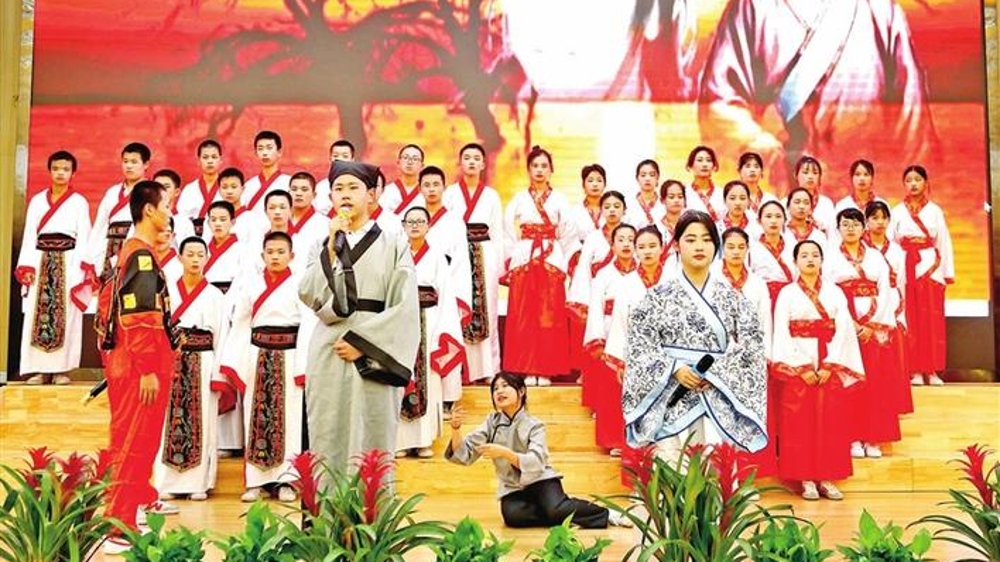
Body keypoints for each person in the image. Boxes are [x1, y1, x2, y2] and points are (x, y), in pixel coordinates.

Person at [698, 0, 937, 191]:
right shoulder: (754, 6)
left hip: (863, 198)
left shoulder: (881, 12)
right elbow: (718, 108)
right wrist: (774, 159)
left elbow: (914, 130)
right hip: (780, 199)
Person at [298, 160, 419, 478]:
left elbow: (405, 306)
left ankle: (371, 508)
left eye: (353, 187)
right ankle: (328, 508)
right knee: (328, 429)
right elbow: (309, 293)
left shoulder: (394, 242)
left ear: (372, 195)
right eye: (338, 188)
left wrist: (362, 343)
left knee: (372, 433)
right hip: (328, 347)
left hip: (374, 353)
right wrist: (331, 249)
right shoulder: (321, 244)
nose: (345, 194)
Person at [623, 211, 767, 460]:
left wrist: (716, 373)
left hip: (717, 395)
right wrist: (675, 368)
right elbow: (639, 347)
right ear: (676, 245)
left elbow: (752, 347)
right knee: (671, 467)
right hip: (669, 396)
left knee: (715, 467)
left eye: (706, 239)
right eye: (690, 239)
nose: (699, 246)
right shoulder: (656, 297)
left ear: (716, 246)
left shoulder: (733, 298)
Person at [98, 180, 178, 554]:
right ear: (149, 210)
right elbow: (140, 317)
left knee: (135, 441)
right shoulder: (140, 257)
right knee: (133, 442)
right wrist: (147, 367)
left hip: (129, 362)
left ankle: (133, 506)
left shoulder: (132, 252)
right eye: (167, 205)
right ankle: (117, 523)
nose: (170, 213)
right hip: (138, 366)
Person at [445, 373, 631, 529]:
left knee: (555, 509)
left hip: (541, 481)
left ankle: (606, 514)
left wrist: (505, 453)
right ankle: (558, 512)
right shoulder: (491, 423)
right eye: (495, 389)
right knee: (514, 517)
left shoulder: (535, 425)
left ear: (521, 391)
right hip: (513, 487)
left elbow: (536, 462)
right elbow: (464, 454)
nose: (499, 391)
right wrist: (455, 429)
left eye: (505, 386)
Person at [220, 231, 313, 503]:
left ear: (291, 256)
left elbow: (308, 325)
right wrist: (238, 360)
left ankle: (287, 481)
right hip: (258, 355)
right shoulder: (251, 283)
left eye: (281, 252)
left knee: (290, 421)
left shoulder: (299, 284)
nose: (275, 257)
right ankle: (256, 482)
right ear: (262, 255)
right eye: (270, 252)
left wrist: (302, 365)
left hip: (289, 356)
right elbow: (240, 322)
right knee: (256, 416)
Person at [772, 240, 864, 501]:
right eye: (804, 255)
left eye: (815, 255)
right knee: (799, 422)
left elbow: (844, 330)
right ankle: (806, 479)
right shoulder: (787, 294)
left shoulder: (835, 292)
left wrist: (830, 365)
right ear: (795, 262)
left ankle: (827, 477)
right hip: (797, 366)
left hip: (828, 363)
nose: (810, 259)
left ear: (822, 260)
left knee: (830, 421)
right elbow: (781, 331)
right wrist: (801, 367)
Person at [154, 236, 226, 502]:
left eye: (200, 255)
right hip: (172, 360)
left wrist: (218, 374)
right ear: (180, 257)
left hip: (203, 361)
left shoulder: (215, 295)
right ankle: (167, 482)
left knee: (202, 422)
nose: (195, 260)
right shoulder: (166, 291)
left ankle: (199, 483)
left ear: (207, 258)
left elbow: (222, 336)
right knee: (168, 421)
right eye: (190, 254)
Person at [825, 208, 898, 459]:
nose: (851, 228)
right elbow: (829, 295)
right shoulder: (830, 257)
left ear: (863, 227)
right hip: (845, 328)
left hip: (874, 329)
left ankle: (872, 438)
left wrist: (872, 326)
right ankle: (852, 437)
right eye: (845, 224)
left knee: (875, 384)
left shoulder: (876, 257)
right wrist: (853, 325)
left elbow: (886, 292)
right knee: (850, 381)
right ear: (838, 228)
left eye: (855, 224)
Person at [16, 150, 92, 385]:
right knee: (37, 316)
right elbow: (30, 235)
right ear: (49, 171)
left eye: (66, 169)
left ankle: (61, 370)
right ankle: (40, 370)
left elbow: (85, 237)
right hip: (40, 261)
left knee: (65, 316)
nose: (60, 173)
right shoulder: (38, 201)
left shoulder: (79, 202)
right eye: (56, 169)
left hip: (68, 263)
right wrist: (27, 266)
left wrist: (79, 271)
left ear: (72, 173)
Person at [502, 146, 576, 386]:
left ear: (551, 170)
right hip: (525, 257)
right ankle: (525, 368)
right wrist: (513, 255)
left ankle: (546, 369)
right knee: (523, 315)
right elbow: (506, 229)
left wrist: (564, 259)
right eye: (535, 166)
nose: (540, 170)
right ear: (528, 170)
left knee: (549, 315)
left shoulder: (560, 199)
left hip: (551, 258)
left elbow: (568, 232)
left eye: (544, 166)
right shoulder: (519, 198)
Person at [396, 207, 464, 458]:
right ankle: (401, 442)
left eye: (420, 221)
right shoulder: (396, 254)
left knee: (428, 378)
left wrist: (443, 331)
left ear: (428, 226)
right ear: (403, 226)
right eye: (410, 221)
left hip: (430, 320)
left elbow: (445, 295)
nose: (415, 226)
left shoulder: (436, 256)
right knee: (400, 375)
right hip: (401, 319)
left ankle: (423, 440)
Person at [442, 142, 505, 385]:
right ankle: (458, 368)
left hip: (484, 253)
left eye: (476, 158)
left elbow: (497, 232)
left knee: (487, 310)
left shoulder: (491, 196)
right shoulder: (449, 194)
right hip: (457, 254)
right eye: (467, 157)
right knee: (457, 308)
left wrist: (497, 266)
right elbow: (446, 228)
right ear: (460, 162)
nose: (471, 162)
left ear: (483, 164)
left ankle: (490, 369)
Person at [715, 227, 775, 475]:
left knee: (748, 412)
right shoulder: (712, 279)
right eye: (730, 247)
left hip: (750, 354)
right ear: (722, 250)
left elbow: (764, 320)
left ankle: (748, 473)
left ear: (748, 249)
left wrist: (764, 354)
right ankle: (722, 473)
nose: (736, 252)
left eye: (741, 247)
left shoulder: (757, 284)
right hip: (720, 354)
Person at [889, 165, 953, 386]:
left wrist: (945, 273)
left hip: (929, 266)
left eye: (917, 179)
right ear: (904, 184)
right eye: (909, 180)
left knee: (931, 321)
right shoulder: (897, 211)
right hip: (905, 267)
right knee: (910, 319)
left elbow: (943, 242)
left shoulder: (935, 211)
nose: (913, 184)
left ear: (926, 182)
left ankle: (932, 370)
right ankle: (914, 369)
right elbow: (891, 243)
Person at [567, 190, 627, 408]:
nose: (612, 211)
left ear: (624, 210)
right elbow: (583, 270)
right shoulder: (593, 238)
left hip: (625, 304)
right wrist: (584, 301)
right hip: (598, 300)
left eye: (617, 206)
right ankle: (597, 403)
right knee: (597, 349)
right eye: (607, 207)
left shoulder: (631, 235)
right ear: (601, 210)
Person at [418, 165, 471, 405]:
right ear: (420, 188)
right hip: (418, 292)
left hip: (446, 291)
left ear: (444, 187)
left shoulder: (454, 221)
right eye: (426, 185)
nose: (431, 189)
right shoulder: (413, 219)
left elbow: (461, 261)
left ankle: (449, 399)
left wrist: (456, 295)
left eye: (436, 184)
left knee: (445, 338)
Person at [584, 224, 637, 455]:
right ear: (612, 245)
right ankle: (614, 439)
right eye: (621, 239)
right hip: (610, 332)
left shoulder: (643, 275)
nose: (626, 244)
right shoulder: (603, 275)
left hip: (637, 334)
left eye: (630, 239)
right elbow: (595, 309)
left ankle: (636, 440)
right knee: (612, 390)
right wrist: (597, 338)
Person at [83, 142, 151, 297]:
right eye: (125, 161)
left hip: (136, 248)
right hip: (110, 250)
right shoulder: (112, 193)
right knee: (107, 295)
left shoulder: (151, 191)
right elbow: (100, 226)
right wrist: (92, 259)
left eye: (134, 162)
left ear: (146, 164)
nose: (129, 166)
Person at [864, 201, 912, 414]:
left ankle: (894, 405)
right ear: (866, 221)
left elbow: (901, 283)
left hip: (893, 303)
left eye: (883, 218)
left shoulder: (897, 251)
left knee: (894, 358)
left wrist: (900, 313)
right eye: (874, 218)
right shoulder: (862, 249)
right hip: (868, 306)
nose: (879, 222)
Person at [750, 200, 797, 307]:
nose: (773, 221)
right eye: (768, 216)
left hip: (789, 298)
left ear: (785, 220)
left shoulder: (793, 245)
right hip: (762, 298)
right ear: (759, 221)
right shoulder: (752, 248)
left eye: (778, 216)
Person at [176, 139, 224, 237]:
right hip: (194, 239)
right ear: (198, 161)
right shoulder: (189, 190)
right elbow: (181, 219)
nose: (210, 161)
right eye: (205, 157)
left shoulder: (227, 189)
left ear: (220, 160)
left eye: (214, 157)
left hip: (220, 238)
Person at [287, 171, 330, 270]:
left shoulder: (325, 224)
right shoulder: (277, 221)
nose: (298, 193)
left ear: (314, 195)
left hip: (310, 276)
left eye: (304, 190)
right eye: (294, 189)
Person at [241, 131, 291, 215]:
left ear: (279, 152)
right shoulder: (248, 186)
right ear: (256, 153)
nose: (264, 153)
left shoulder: (289, 183)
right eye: (260, 149)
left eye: (269, 148)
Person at [794, 156, 837, 234]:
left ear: (819, 177)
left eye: (815, 173)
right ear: (796, 175)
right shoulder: (786, 202)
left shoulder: (826, 203)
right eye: (805, 172)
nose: (810, 177)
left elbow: (832, 233)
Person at [380, 144, 425, 215]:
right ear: (398, 163)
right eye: (406, 158)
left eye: (415, 159)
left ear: (422, 166)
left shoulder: (427, 192)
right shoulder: (386, 191)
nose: (410, 162)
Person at [314, 139, 356, 215]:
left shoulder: (360, 185)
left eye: (345, 156)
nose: (340, 159)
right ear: (330, 159)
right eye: (336, 156)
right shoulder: (321, 187)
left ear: (352, 160)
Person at [684, 146, 725, 221]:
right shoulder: (684, 192)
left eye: (708, 160)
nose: (704, 164)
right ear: (691, 166)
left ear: (714, 166)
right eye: (700, 160)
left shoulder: (722, 193)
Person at [625, 159, 665, 229]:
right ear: (637, 178)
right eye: (643, 175)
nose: (647, 179)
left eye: (652, 175)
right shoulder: (628, 203)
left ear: (657, 177)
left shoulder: (664, 203)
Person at [737, 152, 778, 217]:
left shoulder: (770, 199)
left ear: (761, 172)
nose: (752, 170)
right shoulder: (733, 199)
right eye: (748, 166)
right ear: (740, 171)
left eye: (756, 167)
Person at [657, 180, 686, 264]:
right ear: (662, 200)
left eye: (680, 197)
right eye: (671, 197)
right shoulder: (656, 227)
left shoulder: (690, 226)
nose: (676, 200)